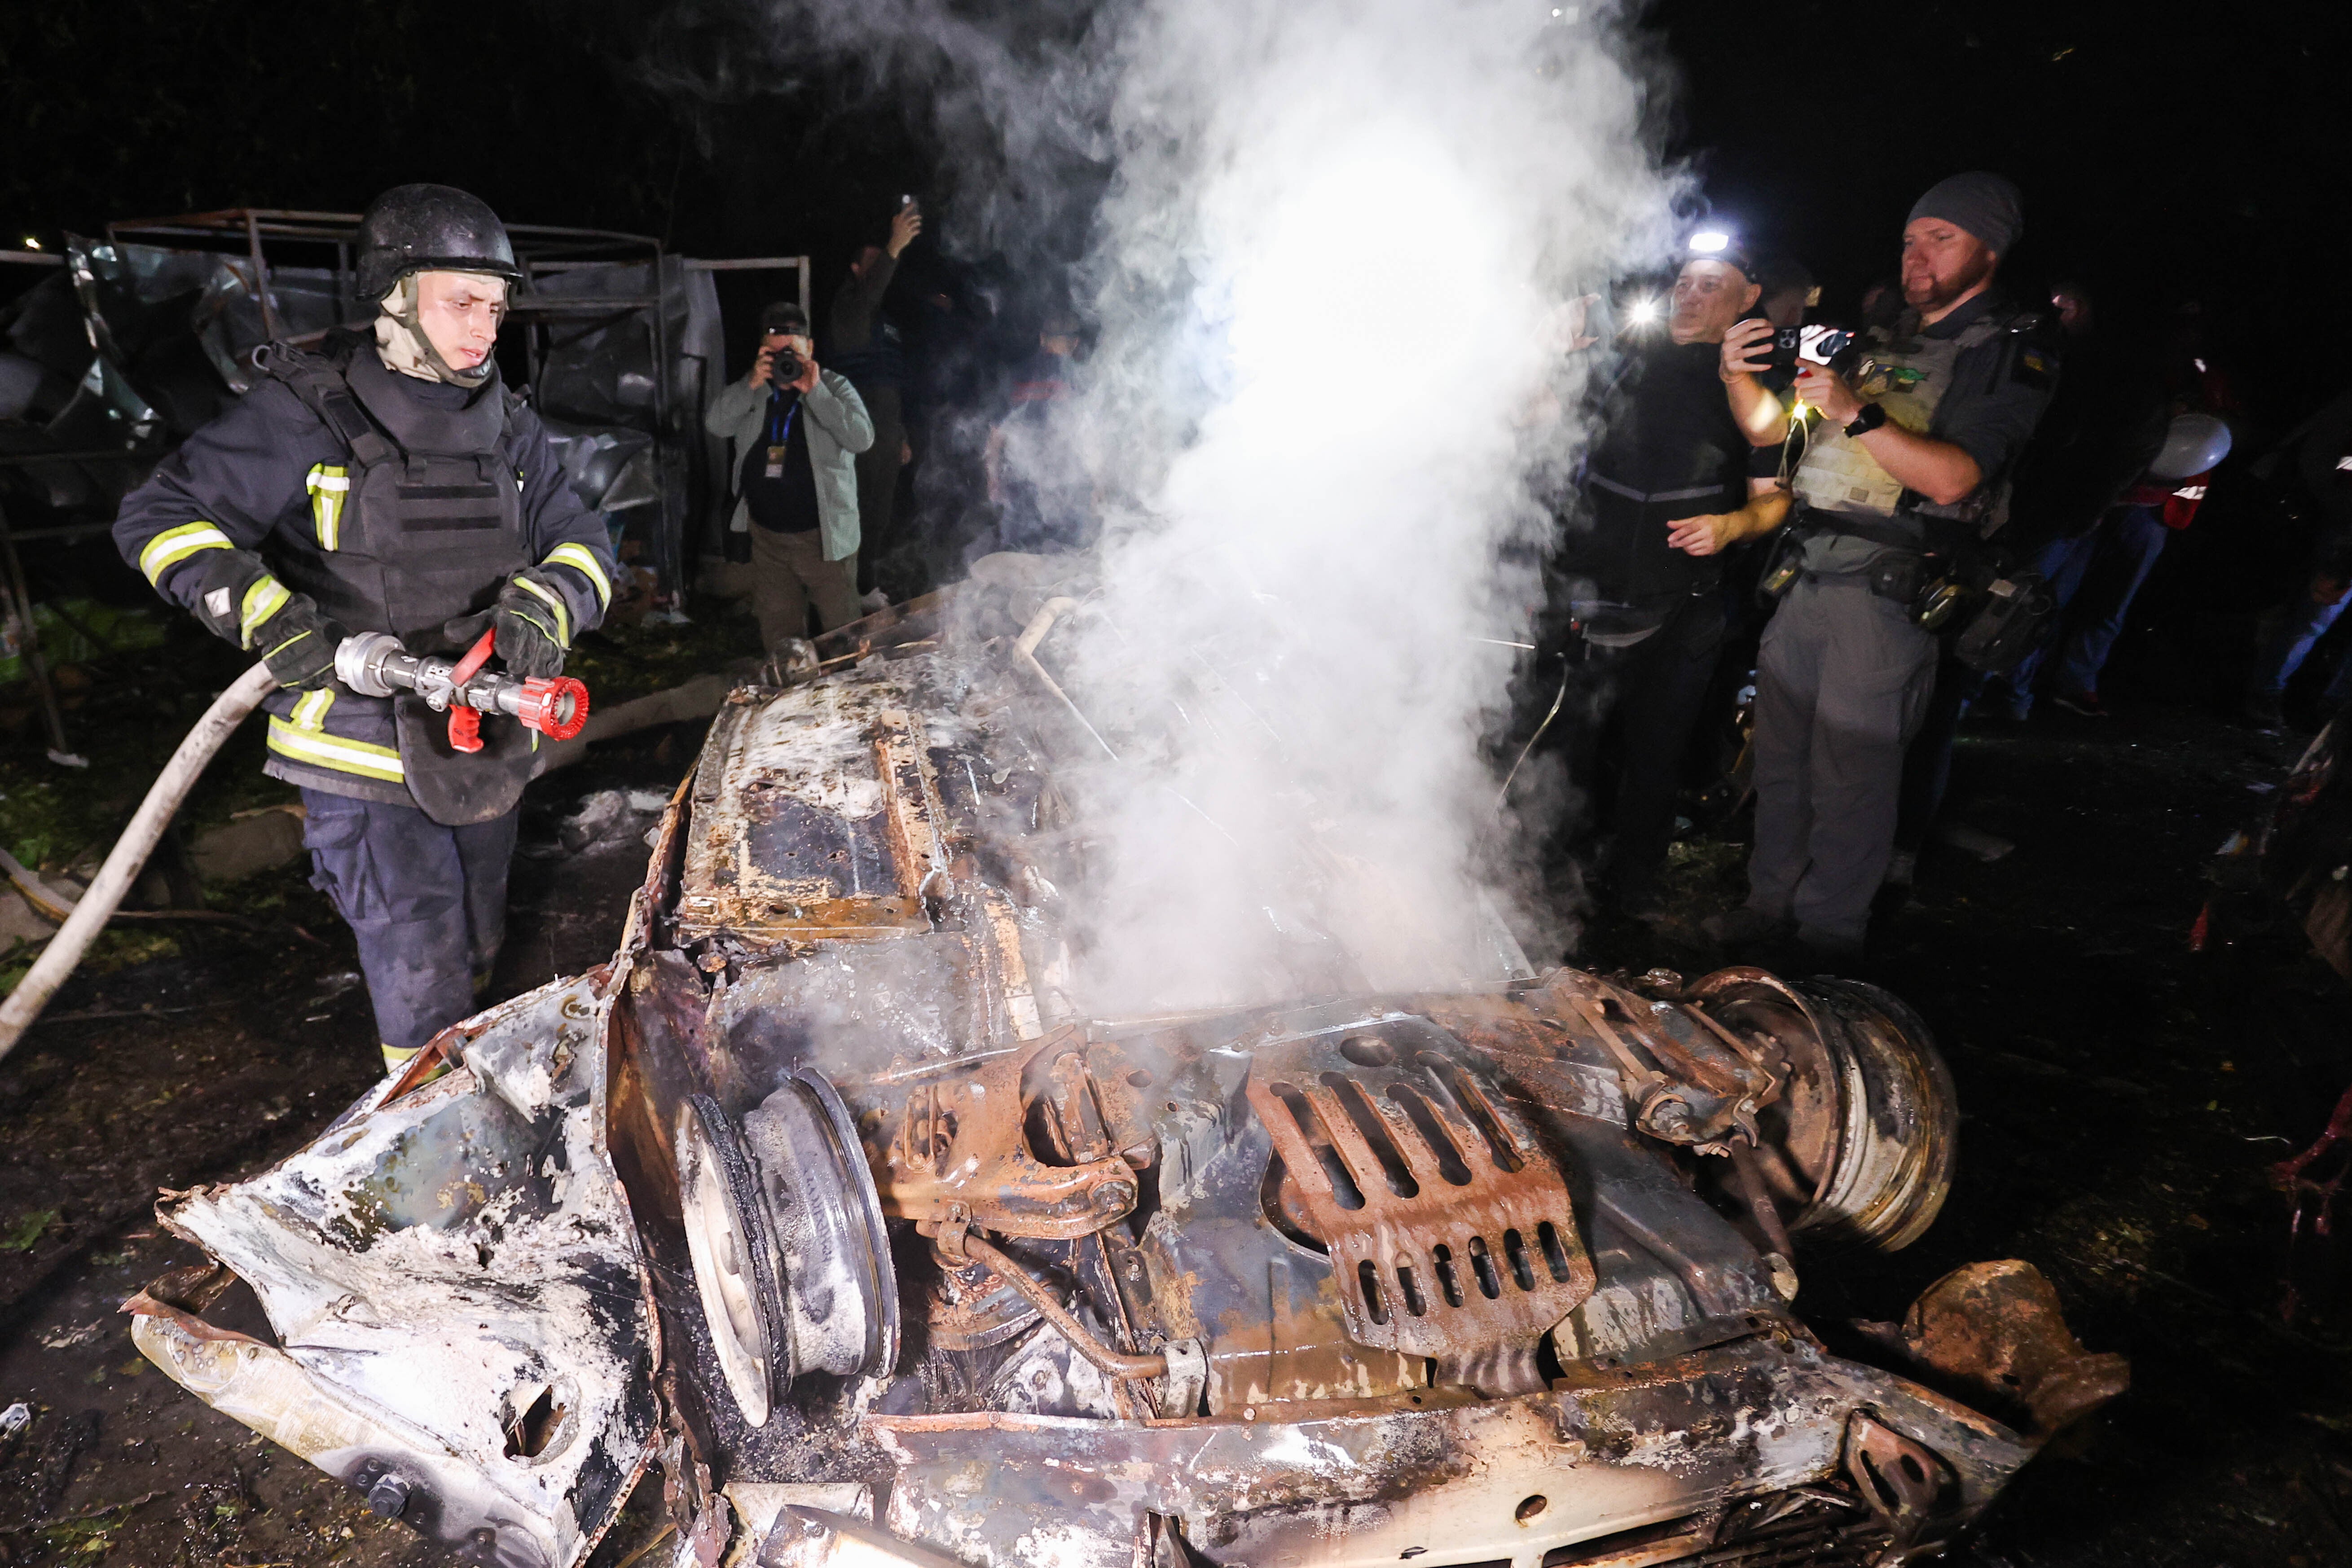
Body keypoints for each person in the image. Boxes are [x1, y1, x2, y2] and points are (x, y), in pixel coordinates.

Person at [112, 184, 619, 1075]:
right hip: (358, 749)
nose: (485, 326)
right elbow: (160, 517)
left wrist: (550, 601)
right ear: (395, 295)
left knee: (475, 946)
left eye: (496, 306)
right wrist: (263, 612)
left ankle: (464, 1108)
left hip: (483, 736)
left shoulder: (507, 423)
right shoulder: (306, 410)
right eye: (462, 300)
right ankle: (431, 1173)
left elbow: (585, 541)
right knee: (421, 982)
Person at [1707, 173, 2058, 959]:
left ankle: (1828, 939)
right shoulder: (1877, 334)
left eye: (1941, 238)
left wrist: (1853, 411)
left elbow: (1953, 478)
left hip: (1890, 588)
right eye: (1909, 238)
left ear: (1988, 250)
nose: (1917, 255)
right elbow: (1779, 438)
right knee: (1779, 759)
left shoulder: (2006, 352)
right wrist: (1735, 375)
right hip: (1807, 573)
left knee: (1852, 779)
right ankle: (1767, 911)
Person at [1553, 239, 1789, 914]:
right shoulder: (1621, 359)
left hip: (1682, 607)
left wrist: (1728, 528)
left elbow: (1775, 499)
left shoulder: (1757, 383)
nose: (1689, 295)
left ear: (1748, 299)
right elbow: (1535, 421)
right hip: (1588, 594)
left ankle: (1631, 894)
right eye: (1683, 282)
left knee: (1654, 757)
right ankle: (1550, 881)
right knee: (1567, 746)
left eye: (1710, 284)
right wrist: (1552, 361)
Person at [707, 301, 874, 653]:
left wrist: (816, 393)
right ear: (762, 353)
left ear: (810, 349)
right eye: (775, 353)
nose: (786, 362)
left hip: (824, 542)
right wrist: (750, 382)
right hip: (768, 539)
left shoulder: (834, 386)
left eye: (793, 352)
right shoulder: (754, 390)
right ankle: (791, 700)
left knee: (843, 632)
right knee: (781, 636)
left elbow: (862, 438)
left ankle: (852, 697)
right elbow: (716, 424)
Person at [830, 200, 923, 593]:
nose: (883, 266)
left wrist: (899, 435)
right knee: (857, 513)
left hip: (885, 434)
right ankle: (846, 591)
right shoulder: (847, 310)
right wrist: (893, 248)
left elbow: (890, 385)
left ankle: (866, 587)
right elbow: (867, 296)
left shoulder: (884, 324)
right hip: (857, 432)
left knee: (879, 516)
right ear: (856, 270)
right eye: (873, 261)